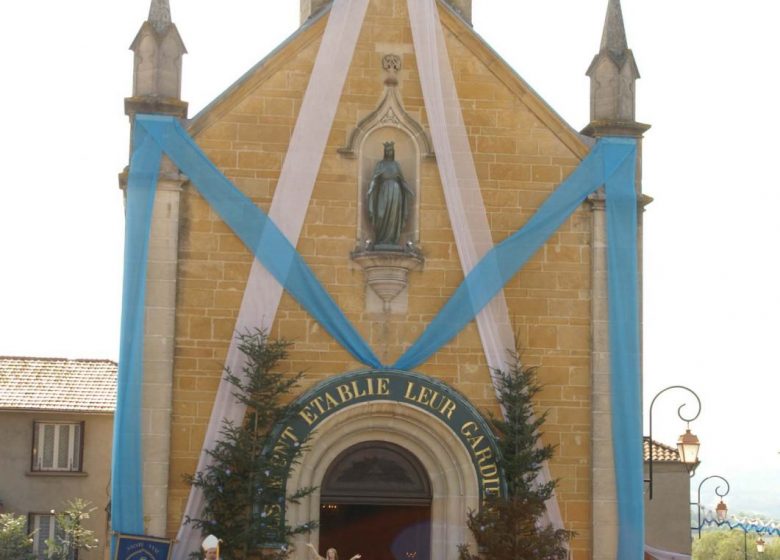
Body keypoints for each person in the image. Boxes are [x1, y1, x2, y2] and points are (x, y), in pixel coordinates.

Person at [366, 141, 414, 247]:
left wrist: (409, 190)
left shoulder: (396, 165)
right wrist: (370, 188)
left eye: (390, 150)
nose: (389, 152)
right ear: (384, 152)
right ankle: (381, 239)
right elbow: (375, 179)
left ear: (393, 152)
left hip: (396, 191)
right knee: (380, 215)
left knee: (394, 216)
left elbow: (402, 181)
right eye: (387, 150)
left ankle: (392, 240)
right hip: (383, 191)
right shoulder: (380, 164)